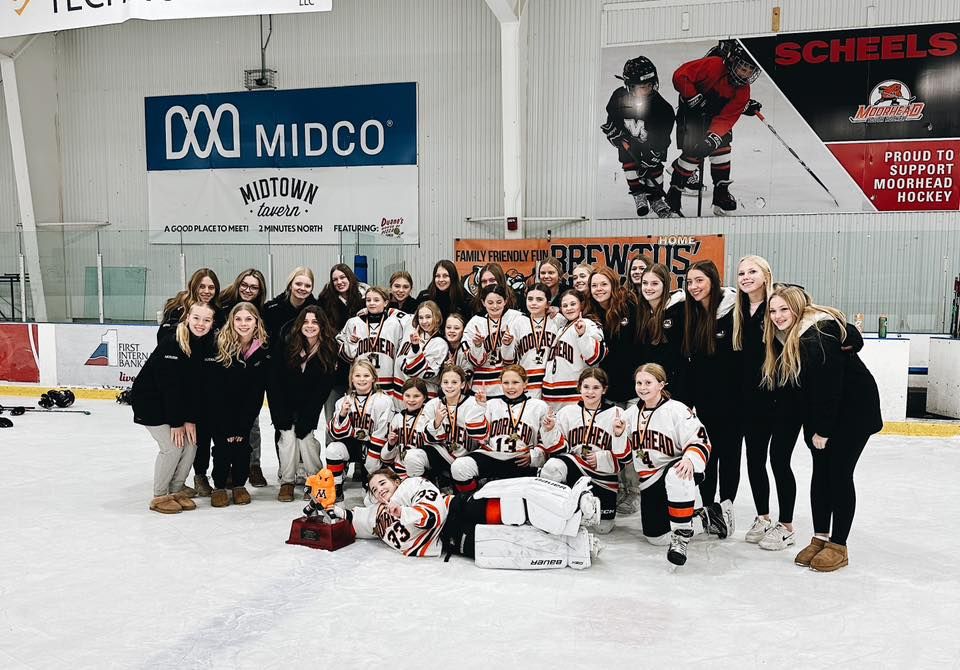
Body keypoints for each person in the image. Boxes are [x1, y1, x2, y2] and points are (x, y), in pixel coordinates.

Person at [763, 286, 882, 572]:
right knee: (821, 473)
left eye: (784, 309)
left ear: (799, 309)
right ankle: (820, 538)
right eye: (773, 311)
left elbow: (830, 387)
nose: (778, 316)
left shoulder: (816, 334)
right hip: (824, 414)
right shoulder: (789, 336)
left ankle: (838, 545)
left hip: (853, 413)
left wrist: (823, 430)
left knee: (838, 473)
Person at [328, 469, 601, 569]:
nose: (380, 490)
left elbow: (432, 513)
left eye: (382, 483)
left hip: (455, 511)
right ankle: (576, 545)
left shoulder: (410, 486)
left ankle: (573, 506)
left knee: (512, 509)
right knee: (512, 544)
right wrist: (332, 509)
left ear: (395, 481)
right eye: (375, 490)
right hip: (448, 541)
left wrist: (406, 513)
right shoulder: (376, 515)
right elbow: (354, 518)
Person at [622, 364, 732, 565]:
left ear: (661, 384)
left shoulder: (678, 410)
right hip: (650, 480)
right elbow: (621, 456)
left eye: (648, 382)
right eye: (639, 383)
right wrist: (619, 435)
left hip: (680, 470)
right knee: (655, 538)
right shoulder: (629, 415)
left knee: (675, 473)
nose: (643, 387)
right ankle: (711, 517)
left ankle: (681, 537)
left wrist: (690, 459)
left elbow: (701, 440)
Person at [733, 256, 801, 550]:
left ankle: (786, 525)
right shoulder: (736, 309)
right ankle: (762, 516)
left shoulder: (779, 303)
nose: (746, 277)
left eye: (752, 271)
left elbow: (812, 318)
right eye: (741, 273)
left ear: (766, 275)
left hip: (784, 397)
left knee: (779, 460)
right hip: (752, 399)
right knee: (755, 459)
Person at [133, 302, 216, 514]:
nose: (201, 323)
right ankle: (160, 495)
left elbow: (196, 389)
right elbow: (169, 388)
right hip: (151, 403)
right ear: (187, 317)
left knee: (192, 444)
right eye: (196, 318)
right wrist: (178, 422)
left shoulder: (206, 344)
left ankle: (177, 489)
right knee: (173, 447)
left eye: (206, 320)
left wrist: (190, 419)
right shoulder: (173, 342)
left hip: (177, 406)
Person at [665, 40, 762, 216]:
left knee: (722, 149)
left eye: (750, 71)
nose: (745, 74)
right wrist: (692, 96)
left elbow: (727, 117)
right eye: (742, 67)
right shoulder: (714, 65)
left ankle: (721, 195)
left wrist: (713, 138)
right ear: (733, 61)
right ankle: (674, 196)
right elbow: (680, 75)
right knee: (693, 154)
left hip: (715, 118)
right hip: (692, 115)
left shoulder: (744, 91)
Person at [683, 260, 741, 519]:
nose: (694, 287)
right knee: (708, 455)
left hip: (733, 400)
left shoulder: (735, 309)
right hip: (704, 400)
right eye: (690, 282)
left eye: (699, 281)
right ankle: (707, 507)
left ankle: (726, 507)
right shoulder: (691, 313)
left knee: (729, 456)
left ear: (713, 281)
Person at [541, 367, 629, 534]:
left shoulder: (617, 413)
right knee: (553, 466)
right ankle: (552, 511)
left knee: (603, 528)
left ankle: (581, 504)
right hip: (575, 469)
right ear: (579, 387)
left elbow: (625, 459)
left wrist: (603, 457)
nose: (590, 392)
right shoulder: (567, 412)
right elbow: (557, 451)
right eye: (586, 387)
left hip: (603, 476)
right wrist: (550, 430)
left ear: (604, 389)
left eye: (596, 387)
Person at [451, 366, 560, 494]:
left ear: (525, 383)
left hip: (520, 459)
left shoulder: (539, 406)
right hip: (492, 456)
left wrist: (534, 455)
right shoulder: (492, 404)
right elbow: (479, 436)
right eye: (506, 383)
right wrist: (479, 407)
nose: (510, 387)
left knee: (553, 473)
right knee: (459, 467)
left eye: (515, 382)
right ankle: (470, 500)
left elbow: (546, 441)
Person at [266, 306, 337, 502]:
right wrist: (279, 413)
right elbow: (274, 381)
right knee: (288, 437)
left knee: (305, 438)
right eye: (306, 322)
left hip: (308, 405)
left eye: (315, 322)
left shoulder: (329, 349)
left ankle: (314, 478)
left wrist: (309, 416)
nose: (310, 326)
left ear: (322, 325)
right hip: (285, 402)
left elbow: (323, 389)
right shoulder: (287, 343)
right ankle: (287, 481)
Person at [205, 302, 270, 508]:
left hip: (245, 412)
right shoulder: (219, 345)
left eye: (248, 319)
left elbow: (256, 392)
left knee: (243, 447)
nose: (243, 324)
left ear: (256, 322)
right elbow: (215, 390)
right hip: (220, 412)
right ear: (232, 321)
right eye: (239, 319)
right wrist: (226, 424)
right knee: (223, 448)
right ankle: (219, 486)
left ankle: (239, 485)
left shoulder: (261, 350)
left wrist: (243, 423)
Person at [601, 56, 676, 218]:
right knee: (629, 165)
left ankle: (656, 198)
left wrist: (654, 154)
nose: (648, 90)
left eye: (650, 85)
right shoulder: (619, 98)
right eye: (643, 86)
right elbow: (612, 121)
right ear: (630, 86)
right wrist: (614, 135)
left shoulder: (663, 109)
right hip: (629, 143)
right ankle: (638, 194)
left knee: (654, 171)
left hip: (652, 146)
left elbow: (663, 136)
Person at [217, 268, 269, 488]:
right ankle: (225, 468)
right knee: (225, 424)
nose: (248, 290)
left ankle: (252, 465)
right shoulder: (224, 308)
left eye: (254, 287)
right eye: (245, 285)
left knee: (251, 423)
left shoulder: (263, 314)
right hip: (227, 386)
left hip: (250, 384)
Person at [326, 359, 395, 498]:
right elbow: (335, 433)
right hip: (353, 445)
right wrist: (343, 414)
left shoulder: (383, 400)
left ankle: (368, 480)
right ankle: (336, 486)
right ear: (351, 378)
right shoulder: (343, 401)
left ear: (373, 378)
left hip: (374, 447)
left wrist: (373, 458)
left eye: (366, 376)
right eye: (357, 376)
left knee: (368, 499)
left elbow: (382, 432)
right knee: (333, 449)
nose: (362, 379)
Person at [409, 364, 488, 482]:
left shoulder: (473, 403)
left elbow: (481, 437)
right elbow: (425, 439)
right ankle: (421, 488)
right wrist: (436, 422)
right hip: (441, 454)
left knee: (462, 469)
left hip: (467, 456)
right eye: (445, 382)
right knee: (412, 457)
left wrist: (480, 407)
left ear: (462, 384)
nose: (449, 386)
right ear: (440, 384)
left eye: (454, 382)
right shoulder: (433, 404)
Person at [319, 264, 367, 435]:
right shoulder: (325, 300)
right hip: (335, 369)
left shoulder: (363, 299)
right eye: (335, 279)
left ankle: (359, 459)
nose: (339, 282)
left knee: (362, 418)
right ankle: (334, 457)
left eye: (343, 277)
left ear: (350, 277)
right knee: (334, 417)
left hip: (361, 368)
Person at [338, 286, 405, 405]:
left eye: (376, 300)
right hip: (361, 382)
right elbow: (346, 357)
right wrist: (351, 343)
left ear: (385, 302)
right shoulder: (354, 323)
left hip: (387, 383)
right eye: (368, 300)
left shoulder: (395, 324)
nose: (372, 303)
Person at [541, 289, 605, 407]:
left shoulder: (589, 324)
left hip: (573, 395)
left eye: (573, 304)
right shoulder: (562, 328)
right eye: (565, 305)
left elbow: (594, 358)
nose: (569, 308)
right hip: (551, 397)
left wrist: (582, 334)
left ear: (582, 304)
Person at [635, 263, 687, 404]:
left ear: (665, 285)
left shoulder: (680, 311)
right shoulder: (642, 312)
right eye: (645, 283)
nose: (648, 288)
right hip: (650, 389)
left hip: (674, 389)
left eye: (654, 283)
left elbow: (680, 356)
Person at [589, 266, 637, 405]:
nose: (599, 289)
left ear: (613, 285)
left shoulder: (629, 305)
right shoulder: (590, 312)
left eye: (604, 284)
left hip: (634, 388)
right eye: (594, 285)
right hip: (608, 389)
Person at [465, 285, 524, 398]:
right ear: (483, 302)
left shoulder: (516, 318)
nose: (495, 306)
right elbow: (476, 362)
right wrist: (477, 346)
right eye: (490, 302)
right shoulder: (475, 322)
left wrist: (507, 345)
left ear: (505, 301)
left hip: (506, 387)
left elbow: (510, 360)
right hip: (480, 387)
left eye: (499, 302)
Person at [501, 283, 558, 399]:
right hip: (527, 379)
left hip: (551, 380)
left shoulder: (557, 321)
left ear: (548, 304)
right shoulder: (519, 322)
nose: (534, 303)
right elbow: (508, 359)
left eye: (539, 299)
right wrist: (507, 344)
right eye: (530, 299)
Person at [380, 378, 433, 477]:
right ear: (402, 396)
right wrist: (390, 444)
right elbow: (385, 459)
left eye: (416, 396)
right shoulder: (397, 418)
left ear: (424, 397)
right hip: (398, 470)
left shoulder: (428, 417)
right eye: (407, 395)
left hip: (421, 471)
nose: (411, 400)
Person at [397, 300, 448, 397]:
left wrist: (415, 348)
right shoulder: (414, 334)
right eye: (421, 318)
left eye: (428, 317)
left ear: (437, 318)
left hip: (428, 394)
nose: (424, 321)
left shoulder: (440, 343)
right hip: (408, 392)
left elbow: (420, 372)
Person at [157, 268, 222, 343]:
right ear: (194, 287)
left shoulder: (219, 312)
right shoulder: (178, 309)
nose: (207, 291)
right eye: (202, 287)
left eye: (211, 287)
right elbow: (163, 338)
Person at [262, 266, 317, 345]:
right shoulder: (271, 309)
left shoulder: (317, 310)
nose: (302, 288)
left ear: (311, 289)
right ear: (290, 285)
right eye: (298, 284)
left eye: (307, 286)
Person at [441, 312, 473, 384]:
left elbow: (468, 375)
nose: (451, 331)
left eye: (456, 328)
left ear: (463, 331)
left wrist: (454, 369)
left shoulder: (466, 350)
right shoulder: (441, 347)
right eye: (448, 327)